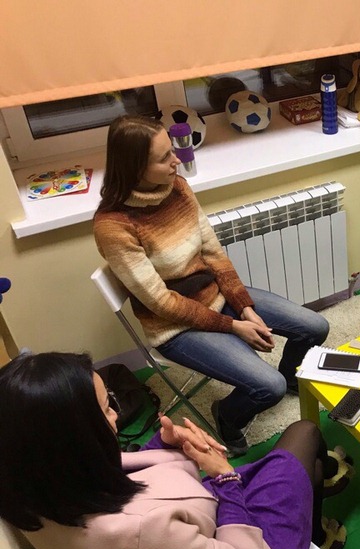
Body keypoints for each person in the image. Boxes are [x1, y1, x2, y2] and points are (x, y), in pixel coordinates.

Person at [0, 352, 348, 549]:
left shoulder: (38, 483)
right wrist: (225, 477)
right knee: (305, 432)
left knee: (308, 466)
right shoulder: (147, 535)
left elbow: (120, 469)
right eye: (107, 409)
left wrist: (163, 444)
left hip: (205, 530)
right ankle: (317, 528)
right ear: (76, 439)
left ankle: (318, 487)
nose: (117, 416)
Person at [94, 115, 329, 455]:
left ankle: (291, 376)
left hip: (218, 299)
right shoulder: (113, 227)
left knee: (315, 327)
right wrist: (233, 326)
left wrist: (245, 306)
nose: (177, 160)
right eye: (164, 157)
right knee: (270, 387)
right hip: (175, 328)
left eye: (172, 150)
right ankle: (228, 416)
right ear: (134, 168)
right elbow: (162, 303)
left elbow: (213, 253)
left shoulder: (178, 188)